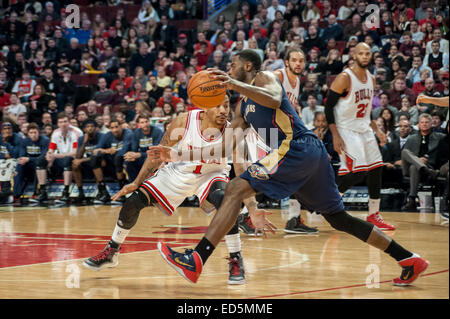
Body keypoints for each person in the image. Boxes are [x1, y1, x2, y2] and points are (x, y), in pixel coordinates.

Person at [152, 48, 429, 286]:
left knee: (235, 188)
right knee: (338, 219)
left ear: (248, 65)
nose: (229, 69)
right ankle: (409, 259)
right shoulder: (241, 107)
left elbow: (272, 100)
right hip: (307, 157)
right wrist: (178, 154)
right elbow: (226, 145)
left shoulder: (267, 78)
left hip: (299, 147)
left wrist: (235, 85)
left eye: (232, 64)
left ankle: (196, 259)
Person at [83, 95, 248, 285]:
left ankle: (236, 259)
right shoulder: (184, 121)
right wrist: (137, 182)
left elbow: (241, 168)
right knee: (134, 200)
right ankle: (112, 250)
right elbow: (158, 154)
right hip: (179, 172)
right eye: (217, 106)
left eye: (226, 106)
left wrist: (249, 205)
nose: (223, 111)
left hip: (212, 174)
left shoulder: (232, 131)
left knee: (225, 201)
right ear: (204, 108)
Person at [239, 48, 318, 234]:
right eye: (294, 60)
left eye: (301, 60)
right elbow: (251, 96)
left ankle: (292, 219)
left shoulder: (297, 81)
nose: (298, 63)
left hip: (280, 135)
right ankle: (245, 215)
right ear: (286, 62)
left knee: (296, 171)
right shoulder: (276, 76)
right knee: (265, 176)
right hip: (263, 132)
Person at [325, 44, 396, 230]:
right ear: (354, 55)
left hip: (364, 129)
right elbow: (328, 107)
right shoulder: (344, 78)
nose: (365, 56)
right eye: (361, 53)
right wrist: (335, 135)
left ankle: (373, 214)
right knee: (359, 172)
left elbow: (367, 111)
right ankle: (329, 201)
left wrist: (378, 130)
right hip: (346, 130)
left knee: (376, 169)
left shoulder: (371, 79)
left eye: (368, 53)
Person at [401, 113, 446, 212]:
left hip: (429, 167)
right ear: (418, 124)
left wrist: (425, 162)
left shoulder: (439, 137)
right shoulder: (412, 138)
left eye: (426, 122)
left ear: (431, 124)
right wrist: (418, 160)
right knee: (405, 152)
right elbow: (405, 156)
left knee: (414, 167)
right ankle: (422, 166)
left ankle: (412, 199)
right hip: (413, 168)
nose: (424, 124)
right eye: (422, 122)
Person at [42, 112, 83, 203]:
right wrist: (49, 155)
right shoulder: (56, 133)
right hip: (60, 157)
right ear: (57, 123)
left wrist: (55, 155)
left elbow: (74, 153)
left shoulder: (77, 132)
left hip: (75, 159)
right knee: (41, 161)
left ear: (69, 122)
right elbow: (51, 149)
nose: (63, 124)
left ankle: (66, 191)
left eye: (65, 121)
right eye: (61, 122)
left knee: (67, 161)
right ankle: (42, 191)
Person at [92, 116, 134, 202]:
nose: (115, 130)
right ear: (109, 129)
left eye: (116, 127)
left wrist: (108, 151)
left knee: (118, 158)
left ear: (121, 126)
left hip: (126, 162)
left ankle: (122, 190)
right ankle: (103, 191)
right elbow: (95, 151)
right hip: (110, 163)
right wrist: (107, 151)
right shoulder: (107, 135)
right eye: (112, 128)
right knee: (94, 159)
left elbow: (124, 151)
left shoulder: (128, 133)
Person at [72, 119, 110, 204]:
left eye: (92, 126)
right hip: (88, 162)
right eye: (88, 127)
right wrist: (84, 143)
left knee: (95, 161)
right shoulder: (81, 139)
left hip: (102, 161)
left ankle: (102, 192)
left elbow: (99, 154)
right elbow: (78, 156)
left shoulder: (102, 136)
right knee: (74, 164)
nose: (90, 129)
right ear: (84, 129)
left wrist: (81, 160)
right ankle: (81, 193)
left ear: (96, 128)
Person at [13, 122, 49, 200]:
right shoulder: (24, 141)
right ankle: (16, 194)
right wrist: (24, 160)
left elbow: (43, 157)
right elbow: (22, 156)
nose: (33, 134)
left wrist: (29, 159)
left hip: (41, 163)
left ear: (38, 132)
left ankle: (35, 192)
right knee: (19, 166)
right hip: (29, 163)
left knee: (38, 163)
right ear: (28, 133)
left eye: (35, 132)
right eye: (31, 133)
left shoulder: (45, 140)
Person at [124, 114, 163, 182]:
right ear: (138, 124)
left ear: (149, 122)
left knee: (147, 160)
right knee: (129, 162)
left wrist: (139, 155)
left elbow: (156, 151)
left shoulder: (157, 131)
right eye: (142, 122)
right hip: (143, 155)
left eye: (146, 121)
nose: (145, 124)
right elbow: (134, 149)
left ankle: (148, 183)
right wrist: (131, 155)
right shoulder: (136, 132)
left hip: (155, 156)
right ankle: (133, 184)